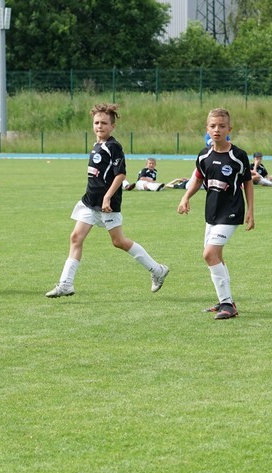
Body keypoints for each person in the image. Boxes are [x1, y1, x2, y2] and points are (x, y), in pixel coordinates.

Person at [46, 103, 169, 299]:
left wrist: (107, 196)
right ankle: (66, 284)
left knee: (118, 241)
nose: (99, 126)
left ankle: (157, 269)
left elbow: (120, 175)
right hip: (89, 202)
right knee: (75, 238)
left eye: (104, 123)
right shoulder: (96, 145)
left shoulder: (114, 147)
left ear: (112, 126)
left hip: (107, 204)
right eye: (96, 122)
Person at [177, 107, 254, 320]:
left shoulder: (238, 156)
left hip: (231, 213)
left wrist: (250, 211)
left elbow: (247, 182)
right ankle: (225, 300)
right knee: (216, 256)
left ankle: (227, 305)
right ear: (207, 129)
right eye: (213, 126)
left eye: (221, 126)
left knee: (209, 254)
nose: (217, 130)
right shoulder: (204, 155)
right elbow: (199, 179)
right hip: (211, 213)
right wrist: (185, 197)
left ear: (229, 128)